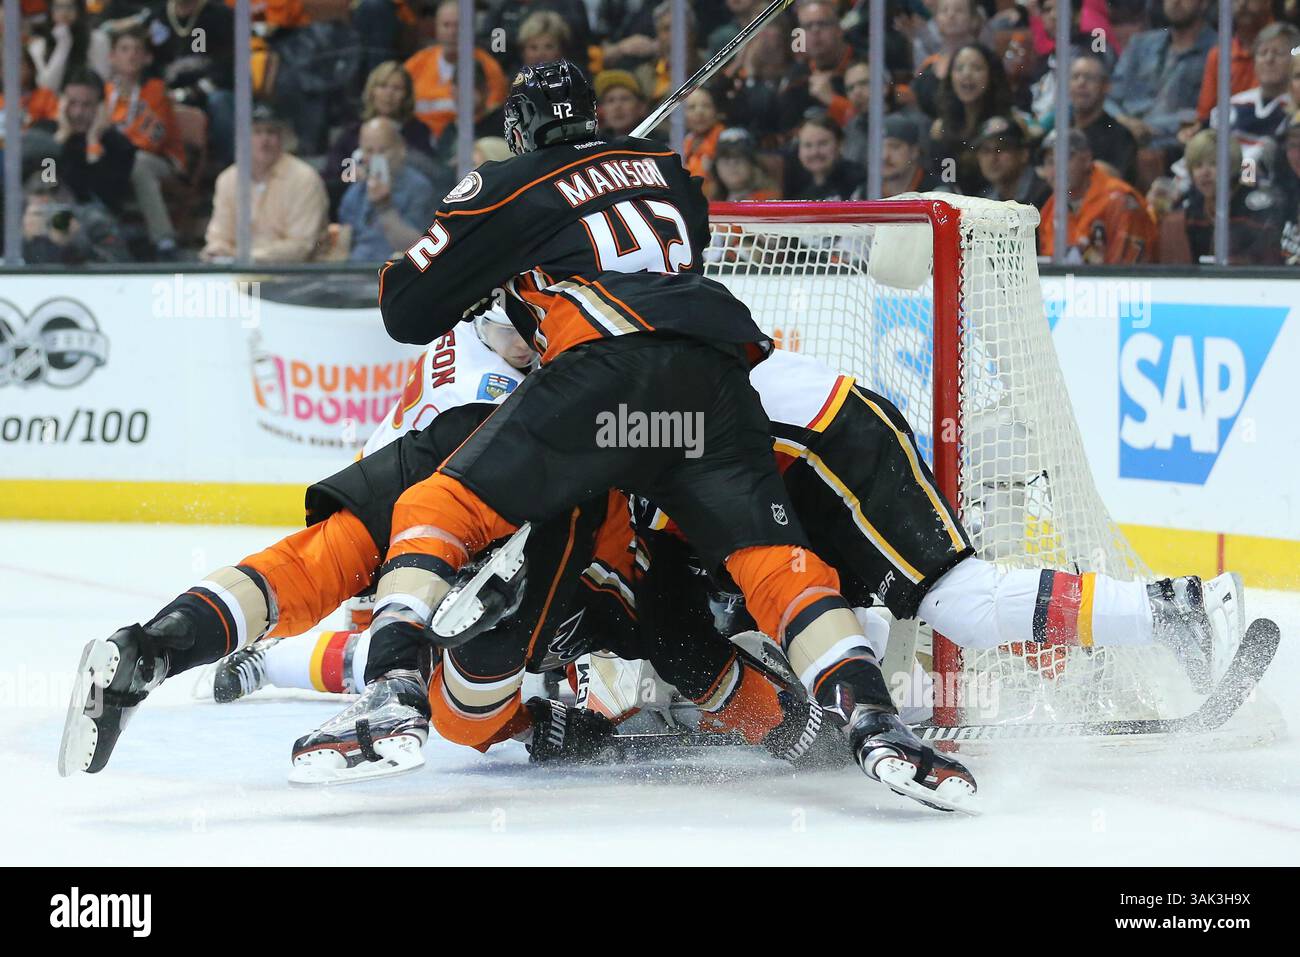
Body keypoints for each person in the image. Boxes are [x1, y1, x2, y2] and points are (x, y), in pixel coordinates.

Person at [201, 104, 328, 263]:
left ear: (283, 138)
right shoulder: (228, 179)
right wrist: (217, 250)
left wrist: (244, 257)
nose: (264, 140)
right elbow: (219, 236)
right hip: (239, 272)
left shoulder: (304, 178)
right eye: (257, 132)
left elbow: (301, 246)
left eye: (271, 132)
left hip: (296, 274)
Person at [324, 61, 446, 219]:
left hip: (407, 208)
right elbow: (332, 174)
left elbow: (432, 172)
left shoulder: (418, 131)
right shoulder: (352, 133)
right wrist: (354, 175)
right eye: (382, 86)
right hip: (359, 210)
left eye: (396, 88)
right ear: (372, 91)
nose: (388, 94)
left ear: (406, 95)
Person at [103, 27, 185, 260]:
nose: (131, 55)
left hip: (162, 161)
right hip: (117, 159)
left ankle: (164, 241)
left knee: (138, 163)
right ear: (112, 57)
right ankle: (105, 234)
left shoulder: (156, 91)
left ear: (147, 58)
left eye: (138, 50)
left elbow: (151, 142)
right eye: (124, 49)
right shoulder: (105, 91)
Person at [1109, 0, 1216, 157]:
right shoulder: (1140, 44)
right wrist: (1123, 120)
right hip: (1124, 132)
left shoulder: (1217, 50)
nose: (1175, 2)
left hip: (1174, 142)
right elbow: (1109, 94)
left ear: (1204, 3)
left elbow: (1208, 113)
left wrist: (1145, 127)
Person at [1037, 127, 1158, 263]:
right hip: (1069, 283)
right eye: (1050, 162)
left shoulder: (1119, 200)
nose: (1057, 169)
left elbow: (1126, 272)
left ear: (1087, 159)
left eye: (1065, 159)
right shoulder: (1049, 211)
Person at [338, 117, 441, 262]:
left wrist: (384, 207)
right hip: (356, 274)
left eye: (382, 150)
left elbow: (419, 248)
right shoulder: (355, 193)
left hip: (399, 273)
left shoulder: (420, 188)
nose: (375, 158)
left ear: (401, 150)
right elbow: (344, 246)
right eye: (369, 151)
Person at [405, 0, 510, 141]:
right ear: (435, 28)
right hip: (418, 144)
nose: (452, 32)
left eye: (458, 25)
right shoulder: (416, 64)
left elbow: (489, 119)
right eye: (446, 25)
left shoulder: (489, 68)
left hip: (468, 143)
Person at [1178, 128, 1284, 264]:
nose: (1205, 172)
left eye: (1213, 164)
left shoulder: (1252, 208)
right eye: (1198, 165)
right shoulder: (1194, 209)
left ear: (1231, 166)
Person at [928, 42, 1014, 195]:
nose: (966, 74)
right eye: (959, 68)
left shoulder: (1007, 123)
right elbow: (945, 178)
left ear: (991, 75)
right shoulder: (941, 128)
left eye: (977, 68)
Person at [1057, 53, 1138, 185]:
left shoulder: (1120, 136)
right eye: (1075, 77)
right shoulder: (1058, 128)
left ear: (1106, 86)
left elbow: (1119, 184)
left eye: (1089, 78)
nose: (1081, 83)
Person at [26, 0, 111, 92]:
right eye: (58, 7)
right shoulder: (38, 46)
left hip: (87, 101)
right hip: (53, 103)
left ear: (79, 10)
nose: (64, 13)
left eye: (70, 7)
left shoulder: (97, 39)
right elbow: (47, 88)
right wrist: (63, 45)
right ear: (50, 11)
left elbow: (101, 83)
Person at [973, 115, 1050, 208]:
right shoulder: (983, 201)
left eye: (1001, 149)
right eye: (986, 151)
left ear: (1024, 154)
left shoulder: (1046, 194)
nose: (992, 158)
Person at [787, 113, 865, 200]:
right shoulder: (794, 188)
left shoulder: (859, 181)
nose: (815, 152)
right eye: (808, 145)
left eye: (823, 143)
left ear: (840, 145)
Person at [879, 113, 941, 196]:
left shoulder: (938, 193)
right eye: (878, 147)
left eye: (894, 146)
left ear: (914, 151)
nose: (884, 156)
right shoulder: (864, 193)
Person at [682, 86, 726, 180]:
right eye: (691, 107)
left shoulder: (726, 141)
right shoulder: (683, 144)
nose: (699, 112)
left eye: (706, 106)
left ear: (716, 111)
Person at [594, 69, 648, 138]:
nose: (617, 106)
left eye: (625, 99)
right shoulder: (597, 144)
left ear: (640, 107)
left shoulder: (660, 144)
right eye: (610, 100)